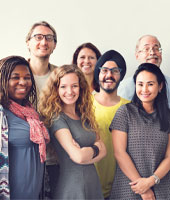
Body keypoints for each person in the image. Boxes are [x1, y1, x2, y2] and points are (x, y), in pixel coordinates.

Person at [39, 64, 106, 199]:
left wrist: (89, 152)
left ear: (80, 88)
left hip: (92, 183)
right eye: (63, 86)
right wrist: (95, 149)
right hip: (72, 187)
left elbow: (104, 151)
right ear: (55, 89)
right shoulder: (57, 119)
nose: (69, 91)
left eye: (74, 86)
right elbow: (78, 157)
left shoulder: (85, 116)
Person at [110, 63, 170, 200]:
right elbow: (120, 153)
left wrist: (150, 181)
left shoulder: (168, 116)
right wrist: (143, 189)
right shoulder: (125, 112)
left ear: (160, 86)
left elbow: (169, 157)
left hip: (161, 187)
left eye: (150, 84)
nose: (144, 89)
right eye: (140, 84)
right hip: (129, 187)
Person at [0, 56, 50, 199]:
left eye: (27, 77)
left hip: (35, 193)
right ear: (3, 79)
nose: (23, 82)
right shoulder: (2, 113)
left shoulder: (31, 113)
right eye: (15, 77)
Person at [26, 21, 58, 197]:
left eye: (49, 38)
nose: (43, 42)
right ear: (28, 42)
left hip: (55, 157)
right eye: (38, 37)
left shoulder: (61, 75)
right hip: (24, 155)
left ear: (54, 45)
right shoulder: (15, 73)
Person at [92, 50, 130, 199]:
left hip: (120, 186)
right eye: (104, 70)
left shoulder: (130, 108)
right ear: (98, 74)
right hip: (89, 185)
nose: (109, 75)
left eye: (115, 71)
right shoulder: (83, 104)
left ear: (121, 76)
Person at [118, 34, 170, 107]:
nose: (152, 53)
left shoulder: (169, 83)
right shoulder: (124, 88)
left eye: (156, 48)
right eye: (146, 49)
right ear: (137, 55)